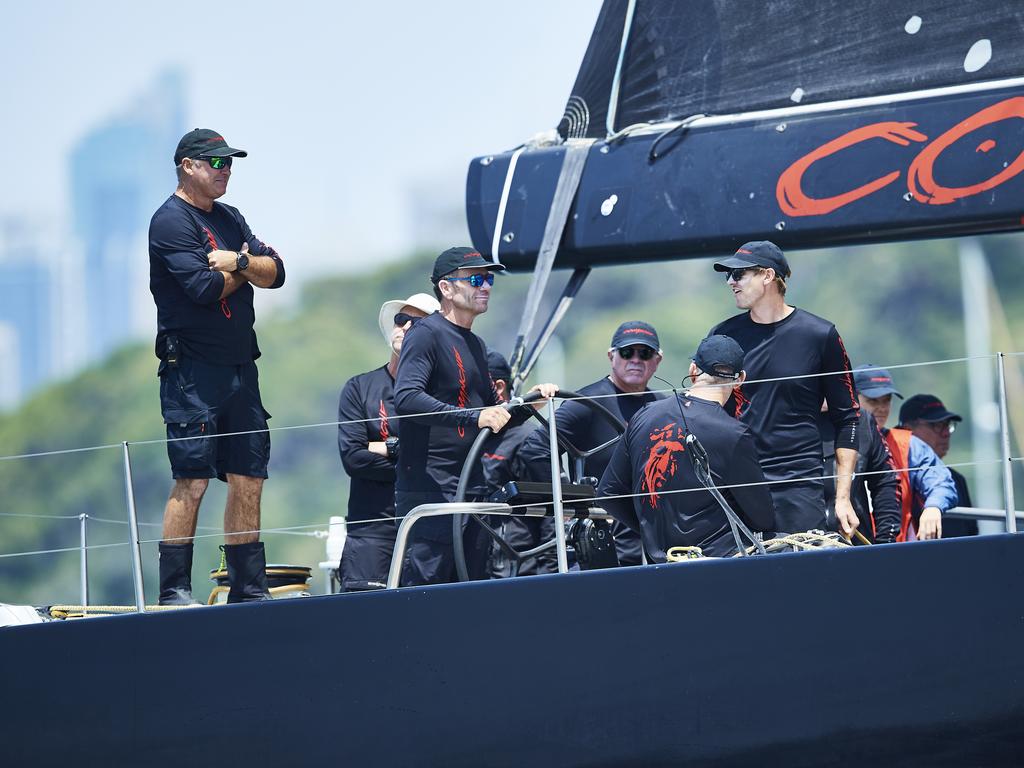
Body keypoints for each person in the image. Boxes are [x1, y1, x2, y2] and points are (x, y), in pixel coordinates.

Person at [149, 128, 285, 604]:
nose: (226, 171)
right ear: (188, 165)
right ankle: (174, 591)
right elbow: (202, 290)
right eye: (216, 162)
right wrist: (248, 272)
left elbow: (278, 272)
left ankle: (248, 588)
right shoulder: (169, 222)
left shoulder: (230, 217)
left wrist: (237, 262)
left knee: (250, 475)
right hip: (192, 371)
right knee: (193, 478)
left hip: (241, 367)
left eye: (230, 163)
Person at [393, 247, 556, 586]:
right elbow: (406, 398)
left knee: (472, 592)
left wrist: (529, 404)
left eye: (489, 279)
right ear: (446, 288)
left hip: (474, 490)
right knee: (427, 596)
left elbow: (493, 421)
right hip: (431, 491)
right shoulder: (425, 333)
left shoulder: (477, 346)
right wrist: (474, 417)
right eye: (476, 279)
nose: (486, 287)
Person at [708, 241, 860, 538]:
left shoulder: (820, 334)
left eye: (738, 275)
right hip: (738, 484)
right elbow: (705, 410)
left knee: (801, 578)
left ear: (767, 276)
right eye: (728, 276)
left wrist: (843, 498)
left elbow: (849, 419)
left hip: (799, 484)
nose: (730, 282)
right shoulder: (723, 336)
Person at [598, 336, 775, 559]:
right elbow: (763, 518)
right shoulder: (735, 434)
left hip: (661, 562)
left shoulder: (644, 414)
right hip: (721, 561)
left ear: (693, 370)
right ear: (739, 379)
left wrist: (650, 531)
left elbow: (608, 494)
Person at [515, 320, 666, 565]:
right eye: (627, 352)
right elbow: (536, 449)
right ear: (611, 355)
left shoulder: (661, 405)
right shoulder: (587, 402)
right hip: (602, 534)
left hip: (650, 534)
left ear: (657, 360)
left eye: (645, 353)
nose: (636, 360)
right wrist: (566, 500)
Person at [335, 293, 440, 591]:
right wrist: (405, 453)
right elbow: (353, 458)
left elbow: (442, 456)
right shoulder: (359, 387)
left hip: (429, 531)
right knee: (363, 625)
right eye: (400, 319)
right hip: (371, 532)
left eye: (416, 323)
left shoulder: (441, 394)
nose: (404, 327)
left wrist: (381, 446)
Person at [853, 366, 957, 541]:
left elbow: (941, 482)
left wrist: (933, 507)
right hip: (841, 550)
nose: (882, 408)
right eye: (873, 401)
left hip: (895, 551)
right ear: (852, 399)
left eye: (886, 400)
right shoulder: (829, 442)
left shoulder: (909, 444)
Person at [482, 350, 557, 577]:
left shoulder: (528, 439)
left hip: (516, 565)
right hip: (476, 556)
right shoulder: (465, 435)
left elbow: (553, 509)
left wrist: (549, 576)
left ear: (498, 387)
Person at [819, 400, 901, 544]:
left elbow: (885, 481)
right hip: (794, 545)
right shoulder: (780, 420)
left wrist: (886, 541)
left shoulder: (862, 420)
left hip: (856, 543)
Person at [899, 393, 976, 538]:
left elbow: (971, 533)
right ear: (908, 430)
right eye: (936, 425)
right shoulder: (890, 474)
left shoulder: (957, 479)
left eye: (948, 425)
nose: (946, 433)